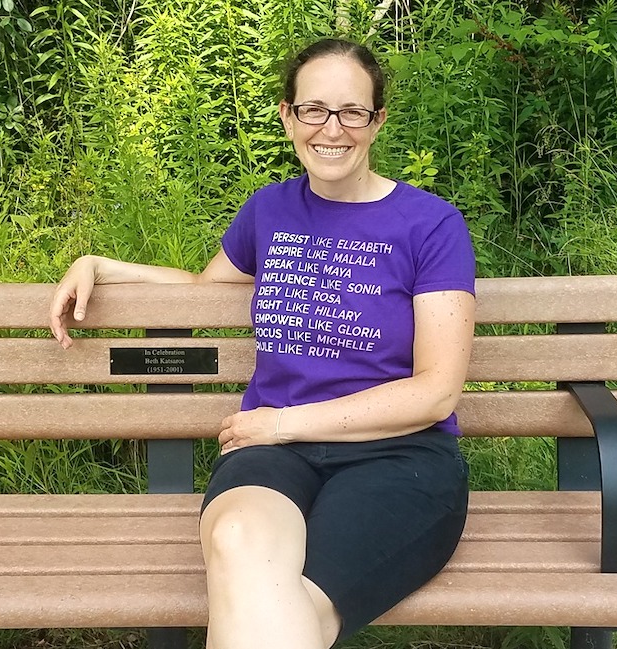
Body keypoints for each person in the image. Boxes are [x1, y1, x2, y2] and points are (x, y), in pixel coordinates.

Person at [49, 38, 475, 649]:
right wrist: (105, 265)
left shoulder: (430, 224)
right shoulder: (269, 209)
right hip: (272, 454)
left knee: (269, 605)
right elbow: (204, 289)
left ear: (377, 121)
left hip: (397, 457)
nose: (332, 128)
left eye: (352, 111)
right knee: (241, 544)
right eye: (314, 109)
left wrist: (284, 423)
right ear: (287, 116)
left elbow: (435, 393)